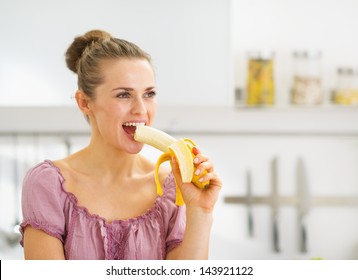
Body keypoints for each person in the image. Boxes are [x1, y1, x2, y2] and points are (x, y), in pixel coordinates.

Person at [19, 30, 222, 260]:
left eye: (149, 94)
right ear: (84, 102)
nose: (141, 110)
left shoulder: (172, 187)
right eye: (124, 95)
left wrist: (201, 211)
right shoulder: (48, 184)